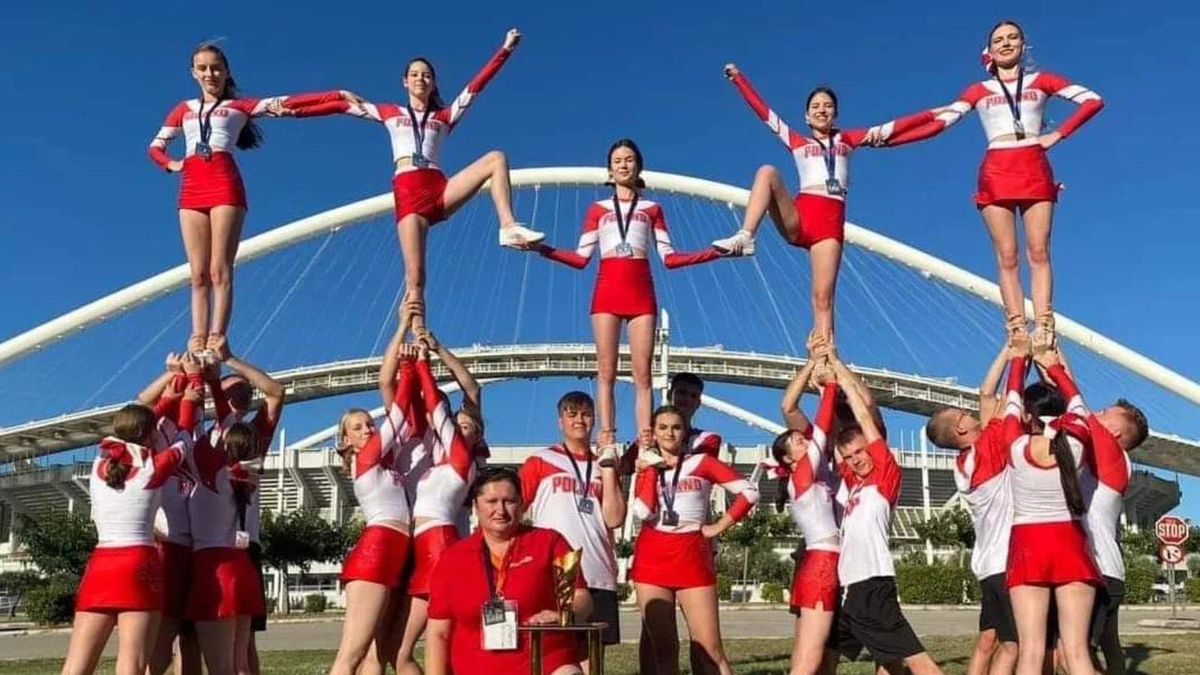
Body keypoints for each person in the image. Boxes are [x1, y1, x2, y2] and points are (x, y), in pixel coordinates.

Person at [277, 29, 542, 335]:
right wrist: (295, 110)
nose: (420, 79)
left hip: (439, 189)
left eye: (426, 75)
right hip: (409, 193)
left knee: (496, 158)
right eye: (414, 75)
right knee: (415, 276)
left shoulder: (444, 117)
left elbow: (476, 86)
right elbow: (340, 106)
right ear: (405, 82)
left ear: (433, 82)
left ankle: (508, 227)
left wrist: (506, 49)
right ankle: (418, 337)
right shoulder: (390, 113)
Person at [885, 20, 1104, 339]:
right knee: (1007, 255)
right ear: (989, 49)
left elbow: (1093, 100)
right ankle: (1016, 325)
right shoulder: (977, 91)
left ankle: (1044, 324)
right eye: (999, 39)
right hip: (997, 170)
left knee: (1039, 252)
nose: (1006, 43)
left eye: (1013, 38)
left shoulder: (1042, 80)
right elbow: (940, 123)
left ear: (1023, 45)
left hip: (1033, 166)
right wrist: (885, 140)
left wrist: (1058, 134)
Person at [148, 43, 361, 356]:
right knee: (197, 273)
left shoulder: (240, 107)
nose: (210, 74)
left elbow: (291, 106)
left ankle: (217, 335)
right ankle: (196, 335)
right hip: (192, 187)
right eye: (203, 68)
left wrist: (338, 97)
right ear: (193, 73)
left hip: (224, 186)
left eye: (216, 68)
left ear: (226, 72)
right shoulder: (183, 109)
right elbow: (155, 146)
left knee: (220, 269)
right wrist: (172, 164)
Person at [517, 139, 727, 451]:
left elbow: (669, 257)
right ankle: (607, 439)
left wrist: (715, 253)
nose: (624, 165)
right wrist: (539, 249)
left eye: (629, 160)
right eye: (617, 161)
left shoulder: (652, 209)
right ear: (610, 170)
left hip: (642, 293)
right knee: (607, 371)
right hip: (606, 292)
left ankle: (645, 443)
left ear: (638, 166)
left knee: (643, 374)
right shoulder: (598, 210)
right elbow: (579, 258)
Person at [712, 64, 935, 342]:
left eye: (828, 106)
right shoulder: (796, 141)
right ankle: (746, 236)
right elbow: (764, 112)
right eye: (815, 106)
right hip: (799, 216)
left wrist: (940, 115)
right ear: (806, 116)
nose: (821, 110)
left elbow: (894, 128)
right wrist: (738, 79)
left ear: (835, 114)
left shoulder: (848, 140)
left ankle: (825, 358)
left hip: (828, 226)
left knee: (822, 298)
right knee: (767, 172)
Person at [61, 362, 201, 675]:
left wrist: (169, 382)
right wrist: (188, 397)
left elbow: (139, 419)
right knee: (133, 664)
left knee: (76, 665)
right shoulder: (155, 466)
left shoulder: (100, 465)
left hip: (101, 565)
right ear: (151, 434)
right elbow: (185, 437)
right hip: (139, 563)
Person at [829, 357, 943, 675]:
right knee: (888, 663)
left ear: (873, 449)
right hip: (850, 585)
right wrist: (825, 386)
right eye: (849, 456)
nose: (855, 460)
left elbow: (865, 415)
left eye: (860, 452)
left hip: (871, 582)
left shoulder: (885, 476)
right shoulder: (854, 484)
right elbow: (834, 435)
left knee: (918, 662)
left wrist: (838, 368)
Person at [1040, 350, 1148, 675]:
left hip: (1097, 571)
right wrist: (1049, 360)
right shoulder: (1102, 454)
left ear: (1115, 433)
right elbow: (1070, 401)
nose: (1096, 413)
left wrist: (1052, 359)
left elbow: (1075, 403)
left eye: (1105, 413)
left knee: (1072, 655)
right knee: (1107, 648)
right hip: (1103, 569)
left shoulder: (1112, 452)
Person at [631, 405, 760, 675]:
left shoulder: (703, 462)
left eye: (676, 427)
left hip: (692, 556)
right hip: (652, 558)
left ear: (685, 432)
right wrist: (651, 468)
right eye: (663, 428)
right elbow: (642, 511)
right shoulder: (645, 466)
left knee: (710, 650)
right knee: (663, 651)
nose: (670, 433)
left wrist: (719, 526)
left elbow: (749, 492)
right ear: (653, 433)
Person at [383, 330, 483, 675]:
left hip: (440, 545)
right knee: (426, 646)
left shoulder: (461, 459)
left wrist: (424, 361)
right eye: (460, 423)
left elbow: (450, 402)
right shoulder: (437, 460)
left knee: (419, 648)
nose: (461, 427)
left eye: (469, 425)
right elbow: (427, 410)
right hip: (427, 545)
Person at [1000, 337, 1101, 675]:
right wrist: (1054, 365)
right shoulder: (1075, 442)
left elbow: (1011, 401)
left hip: (1028, 544)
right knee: (1077, 652)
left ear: (1030, 414)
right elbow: (1078, 403)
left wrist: (1019, 360)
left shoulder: (1015, 445)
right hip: (1069, 541)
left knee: (1030, 652)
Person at [426, 466, 585, 675]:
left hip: (546, 664)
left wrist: (565, 615)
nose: (500, 510)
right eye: (491, 502)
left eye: (509, 501)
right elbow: (438, 634)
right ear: (476, 506)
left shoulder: (550, 542)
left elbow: (582, 597)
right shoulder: (452, 558)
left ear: (521, 505)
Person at [328, 340, 425, 675]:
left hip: (395, 550)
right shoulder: (365, 459)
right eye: (358, 427)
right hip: (377, 552)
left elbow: (408, 425)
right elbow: (397, 417)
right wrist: (408, 368)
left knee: (374, 655)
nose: (368, 429)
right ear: (346, 441)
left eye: (369, 423)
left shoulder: (385, 465)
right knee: (350, 654)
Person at [925, 344, 1020, 675]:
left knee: (987, 640)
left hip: (986, 563)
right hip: (1007, 563)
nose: (971, 412)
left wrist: (1009, 351)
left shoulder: (966, 461)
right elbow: (1001, 396)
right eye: (963, 414)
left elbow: (984, 395)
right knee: (1016, 646)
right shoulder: (989, 450)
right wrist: (1019, 356)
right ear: (961, 430)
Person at [519, 391, 626, 667]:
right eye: (572, 413)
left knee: (591, 658)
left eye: (586, 414)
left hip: (597, 571)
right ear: (560, 421)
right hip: (555, 572)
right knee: (553, 654)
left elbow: (614, 518)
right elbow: (513, 512)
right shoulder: (541, 461)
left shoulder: (603, 465)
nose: (580, 419)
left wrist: (609, 467)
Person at [203, 336, 285, 675]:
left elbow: (276, 393)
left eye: (245, 394)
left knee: (244, 643)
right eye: (231, 392)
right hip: (203, 546)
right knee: (192, 640)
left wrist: (230, 359)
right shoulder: (200, 436)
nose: (239, 398)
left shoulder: (253, 437)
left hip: (243, 546)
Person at [771, 360, 840, 675]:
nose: (805, 439)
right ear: (789, 457)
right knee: (810, 659)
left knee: (807, 655)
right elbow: (823, 428)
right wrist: (830, 388)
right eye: (798, 441)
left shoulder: (809, 473)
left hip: (821, 561)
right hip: (822, 564)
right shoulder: (801, 471)